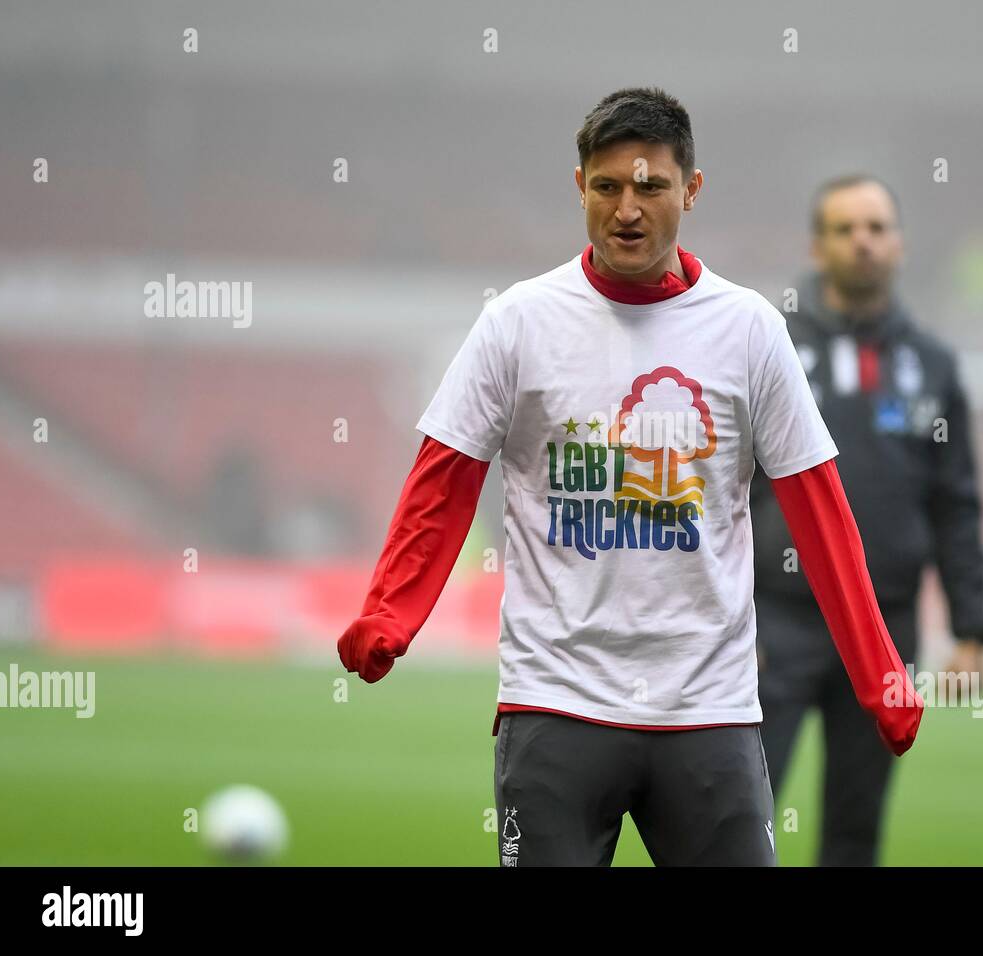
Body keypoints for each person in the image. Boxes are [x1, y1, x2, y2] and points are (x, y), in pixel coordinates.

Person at [336, 87, 923, 866]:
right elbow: (442, 484)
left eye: (651, 186)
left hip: (708, 712)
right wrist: (390, 614)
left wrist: (879, 671)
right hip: (556, 707)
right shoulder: (516, 323)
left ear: (691, 190)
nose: (628, 208)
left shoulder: (749, 329)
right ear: (580, 187)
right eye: (607, 186)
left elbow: (820, 514)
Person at [750, 175, 983, 866]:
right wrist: (728, 612)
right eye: (846, 229)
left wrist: (972, 628)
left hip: (885, 625)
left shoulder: (934, 364)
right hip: (777, 619)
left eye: (877, 228)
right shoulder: (768, 344)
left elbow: (956, 500)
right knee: (739, 818)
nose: (864, 241)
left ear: (900, 244)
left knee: (856, 832)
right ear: (817, 245)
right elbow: (724, 489)